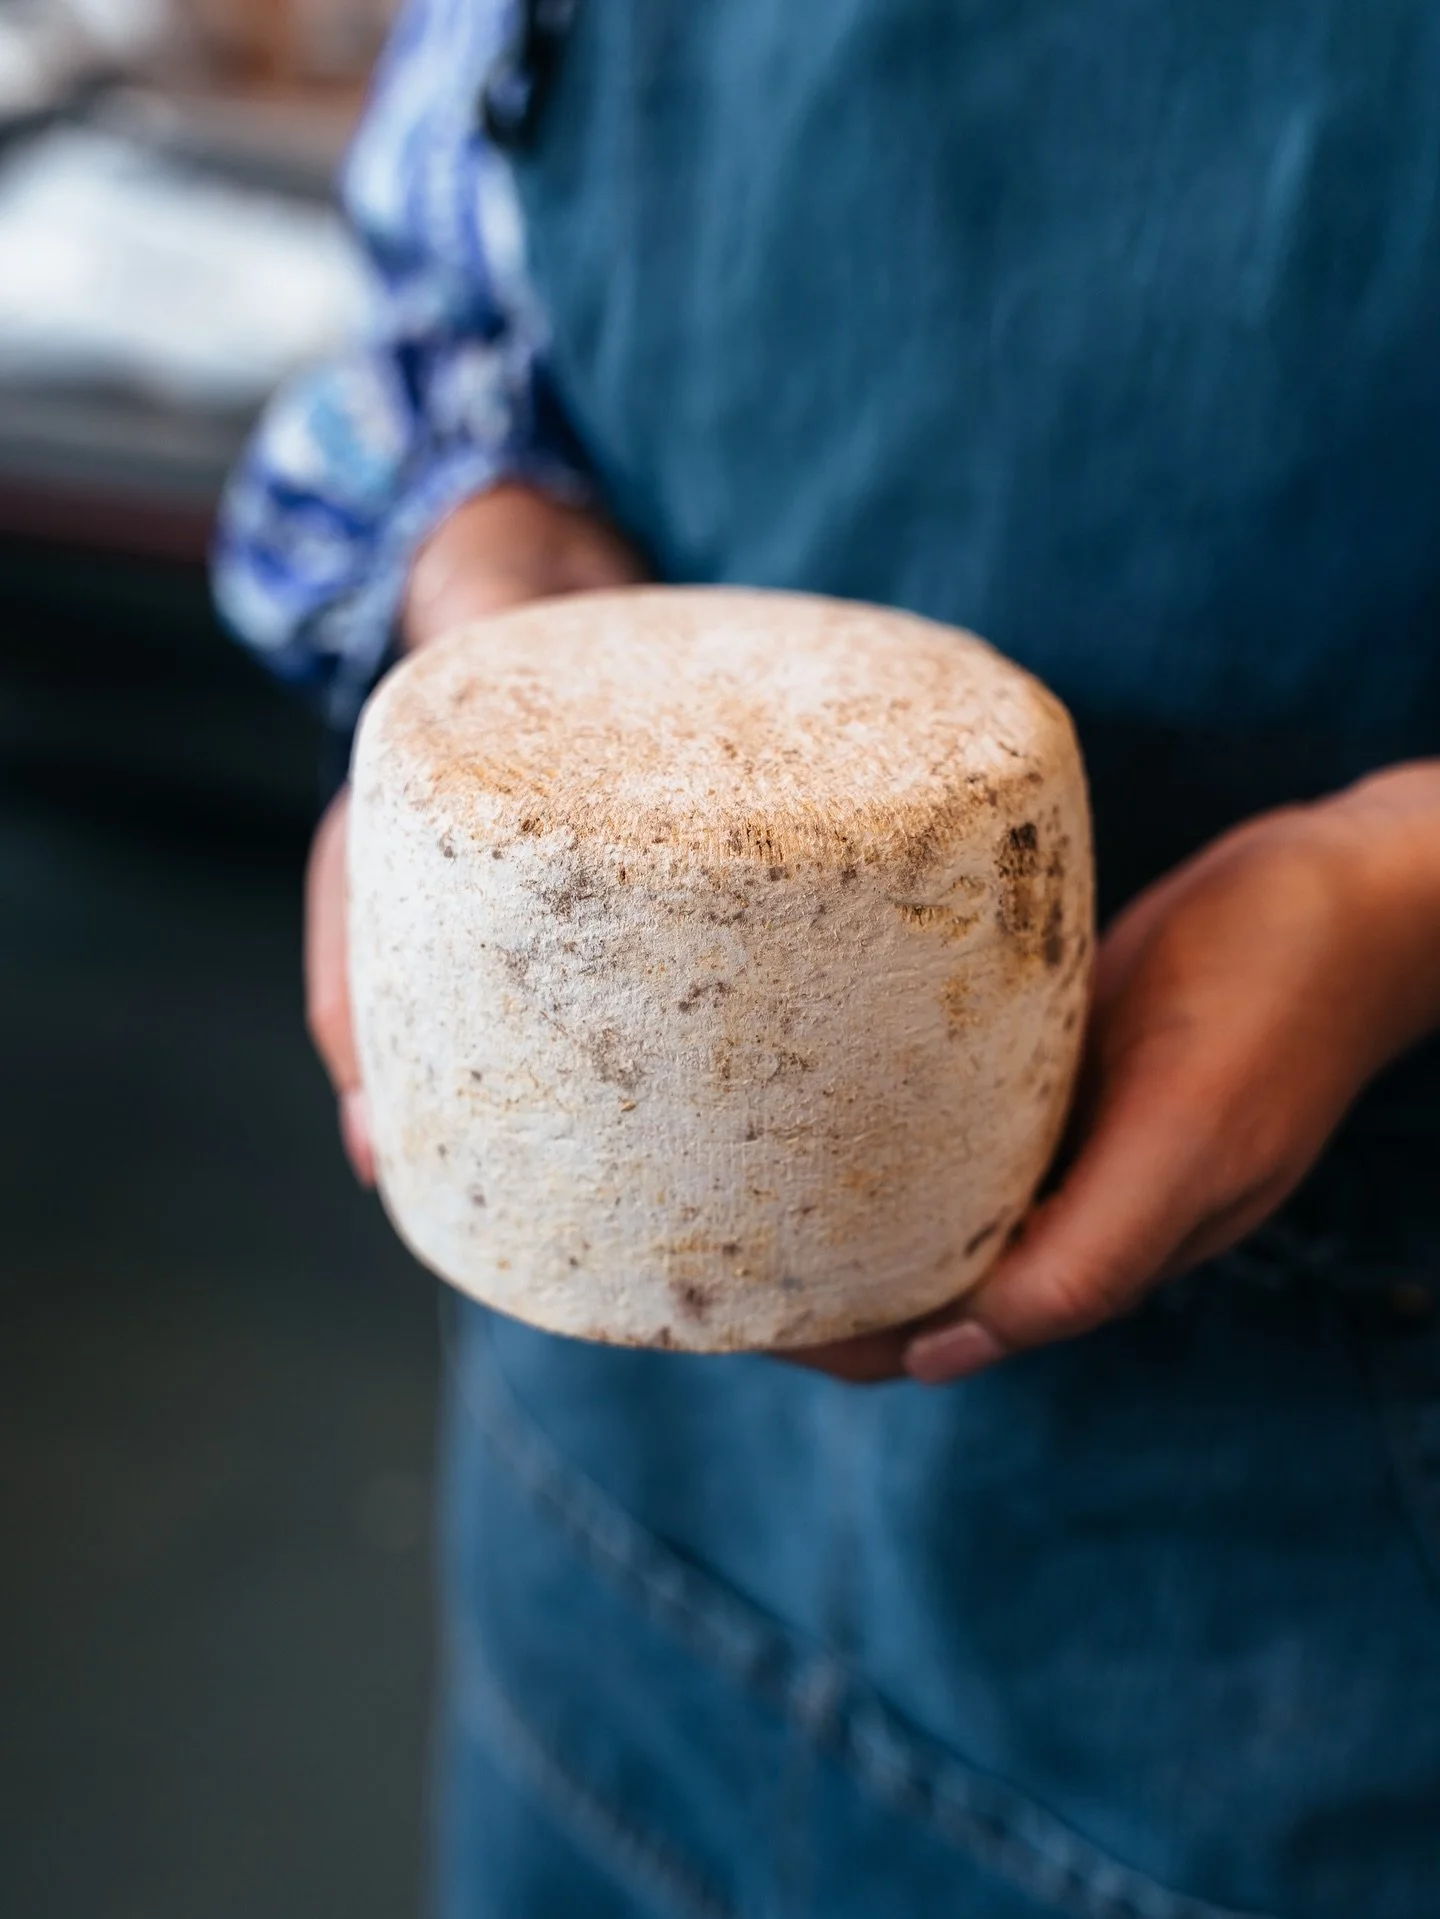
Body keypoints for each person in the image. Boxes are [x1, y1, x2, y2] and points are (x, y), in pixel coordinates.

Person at [215, 2, 1440, 1912]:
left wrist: (1395, 892)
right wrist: (493, 578)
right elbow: (462, 275)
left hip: (1318, 1556)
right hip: (613, 1493)